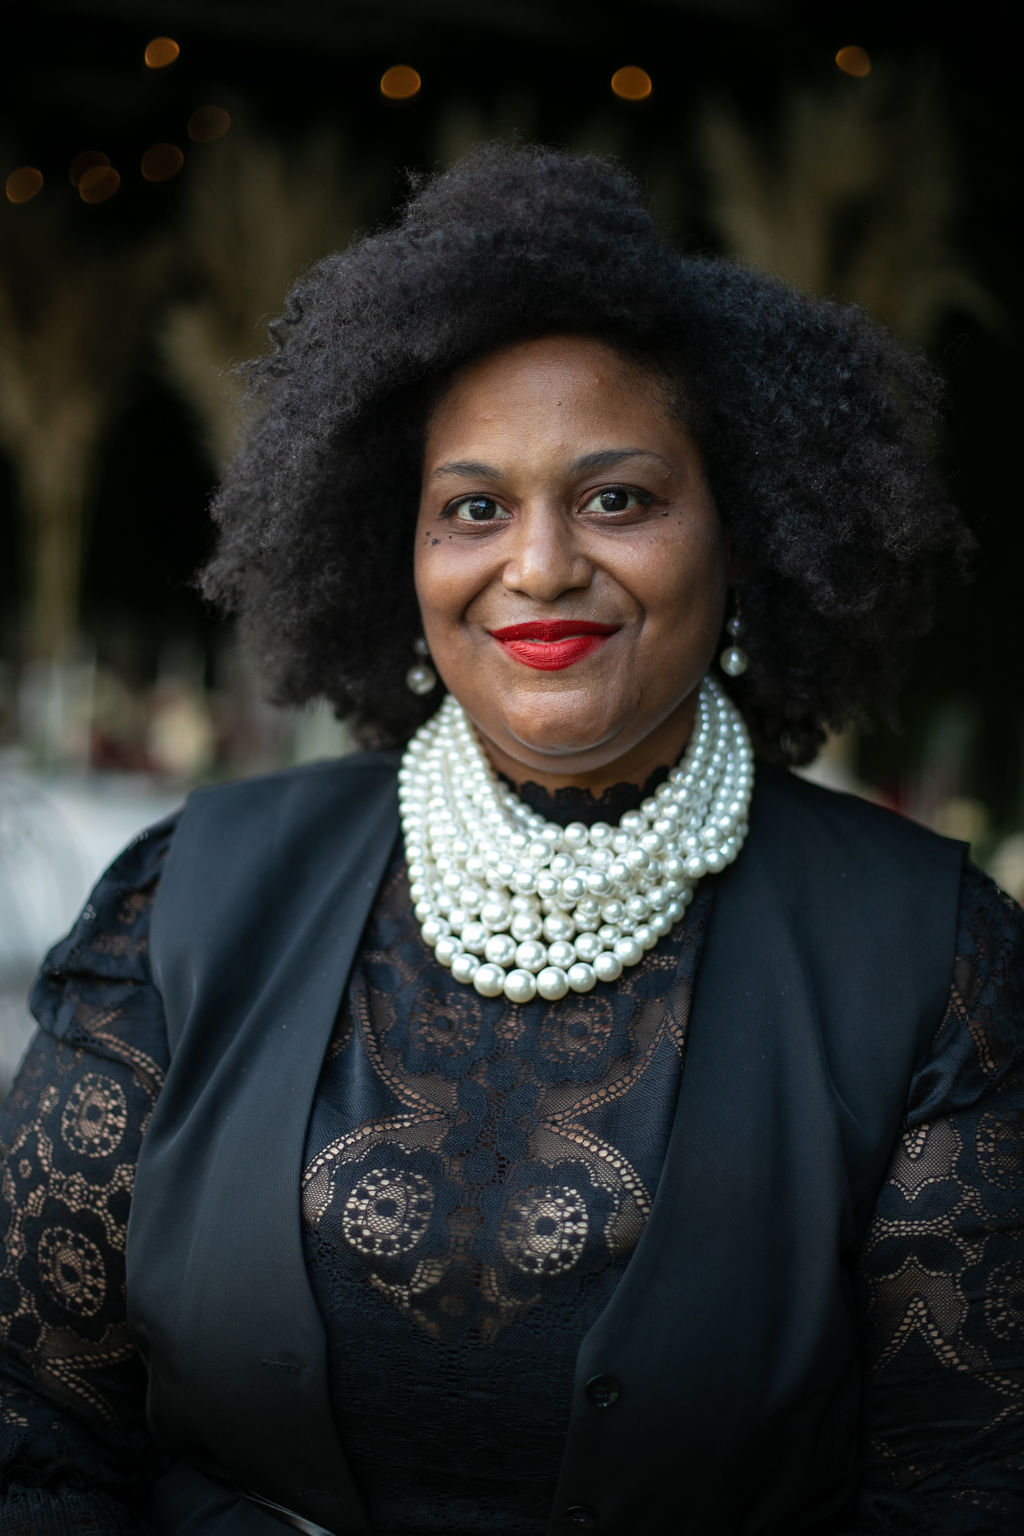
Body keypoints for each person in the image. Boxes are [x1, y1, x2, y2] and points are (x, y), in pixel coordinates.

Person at [1, 143, 1021, 1536]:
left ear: (744, 542)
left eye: (618, 499)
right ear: (400, 552)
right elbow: (33, 1414)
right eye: (474, 508)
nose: (538, 566)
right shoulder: (187, 897)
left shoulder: (931, 961)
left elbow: (967, 1484)